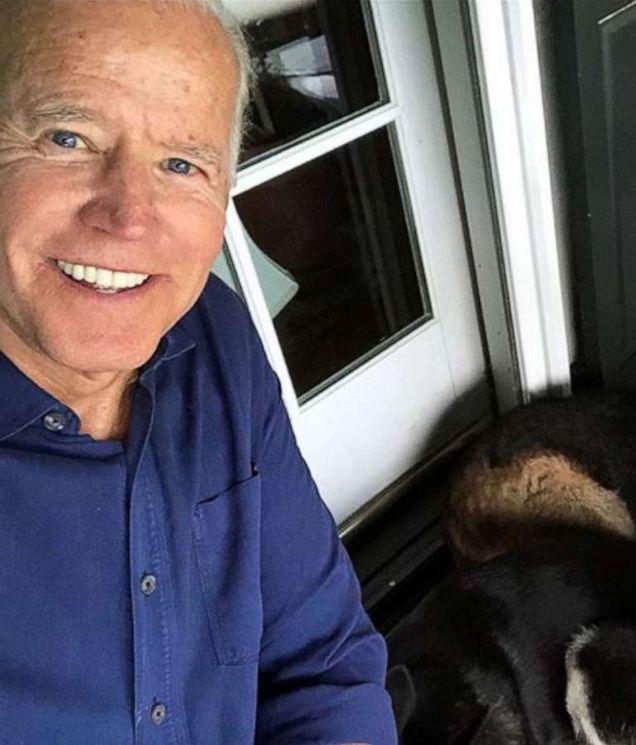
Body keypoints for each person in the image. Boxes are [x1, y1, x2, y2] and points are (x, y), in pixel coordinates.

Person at [0, 1, 395, 742]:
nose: (129, 215)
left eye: (182, 163)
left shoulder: (209, 331)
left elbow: (322, 659)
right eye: (68, 136)